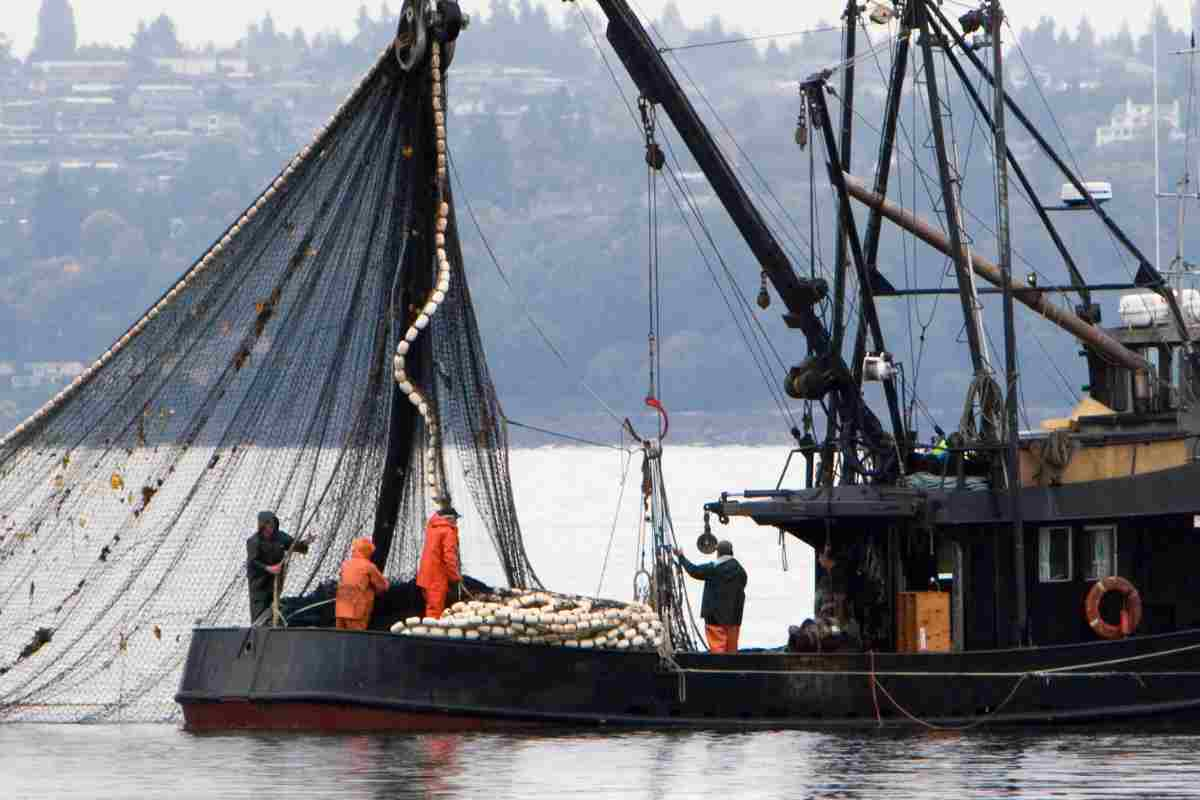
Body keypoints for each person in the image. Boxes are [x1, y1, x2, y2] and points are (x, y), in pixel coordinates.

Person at [674, 539, 748, 653]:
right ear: (731, 552)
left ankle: (718, 668)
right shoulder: (741, 571)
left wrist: (681, 557)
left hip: (715, 619)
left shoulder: (713, 568)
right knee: (732, 651)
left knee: (717, 651)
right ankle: (732, 668)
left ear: (718, 553)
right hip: (734, 618)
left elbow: (694, 571)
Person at [246, 511, 309, 624]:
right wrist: (268, 568)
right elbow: (253, 562)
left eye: (272, 525)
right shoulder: (253, 541)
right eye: (267, 526)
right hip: (259, 584)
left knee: (274, 608)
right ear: (262, 526)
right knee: (259, 613)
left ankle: (273, 627)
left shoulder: (280, 537)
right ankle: (259, 632)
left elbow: (294, 545)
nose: (270, 529)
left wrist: (305, 543)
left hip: (275, 582)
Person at [416, 504, 462, 619]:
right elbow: (449, 558)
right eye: (456, 519)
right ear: (450, 519)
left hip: (425, 576)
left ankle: (427, 630)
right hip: (437, 578)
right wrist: (455, 578)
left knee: (430, 607)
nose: (456, 523)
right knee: (435, 611)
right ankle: (432, 635)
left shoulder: (432, 529)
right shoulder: (448, 532)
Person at [335, 538, 390, 630]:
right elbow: (383, 586)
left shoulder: (345, 564)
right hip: (356, 611)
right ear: (368, 552)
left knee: (340, 638)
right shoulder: (368, 566)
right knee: (356, 639)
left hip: (340, 609)